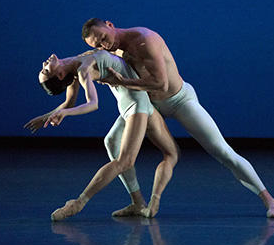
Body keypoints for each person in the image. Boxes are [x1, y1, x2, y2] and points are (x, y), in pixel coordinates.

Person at [82, 18, 274, 218]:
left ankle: (270, 200)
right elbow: (82, 64)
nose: (103, 45)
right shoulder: (110, 51)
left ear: (110, 25)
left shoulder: (144, 40)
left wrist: (124, 82)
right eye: (98, 44)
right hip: (149, 105)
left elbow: (161, 83)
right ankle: (137, 202)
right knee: (111, 141)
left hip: (178, 100)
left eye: (102, 38)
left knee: (222, 151)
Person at [24, 50, 180, 221]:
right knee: (125, 160)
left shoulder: (74, 64)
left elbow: (69, 103)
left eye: (43, 69)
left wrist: (47, 117)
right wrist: (63, 113)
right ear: (60, 74)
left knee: (117, 143)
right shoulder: (81, 71)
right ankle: (78, 203)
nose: (43, 64)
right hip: (134, 104)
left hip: (132, 101)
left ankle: (139, 202)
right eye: (45, 70)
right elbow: (92, 104)